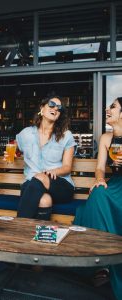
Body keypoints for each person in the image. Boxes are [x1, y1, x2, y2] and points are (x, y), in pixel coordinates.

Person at [74, 97, 122, 299]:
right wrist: (100, 179)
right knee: (98, 193)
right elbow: (100, 168)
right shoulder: (106, 138)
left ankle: (112, 263)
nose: (107, 109)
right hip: (115, 182)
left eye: (112, 107)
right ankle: (102, 260)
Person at [16, 95, 76, 220]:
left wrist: (53, 171)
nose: (55, 108)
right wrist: (13, 153)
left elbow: (67, 167)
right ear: (42, 108)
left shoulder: (66, 135)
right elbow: (14, 147)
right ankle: (39, 237)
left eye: (59, 108)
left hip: (59, 185)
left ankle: (18, 227)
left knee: (40, 177)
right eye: (52, 104)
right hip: (31, 185)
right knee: (45, 200)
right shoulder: (26, 133)